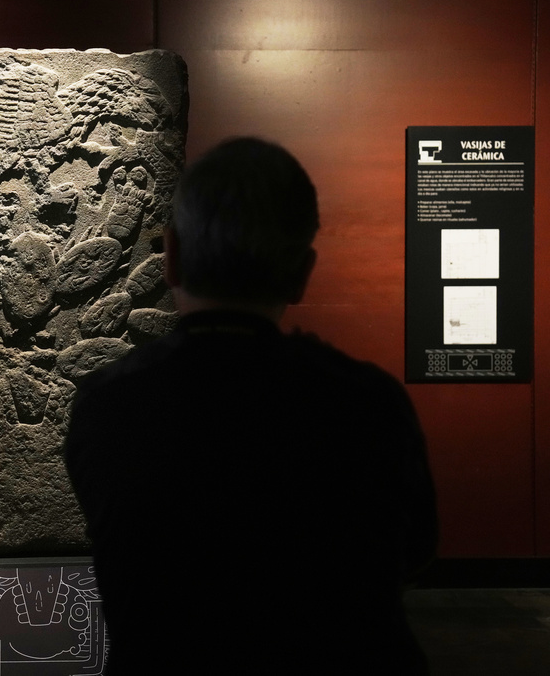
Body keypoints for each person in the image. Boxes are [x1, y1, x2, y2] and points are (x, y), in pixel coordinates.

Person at [64, 138, 438, 674]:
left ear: (169, 256)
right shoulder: (369, 403)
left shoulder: (108, 404)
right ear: (302, 272)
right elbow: (415, 548)